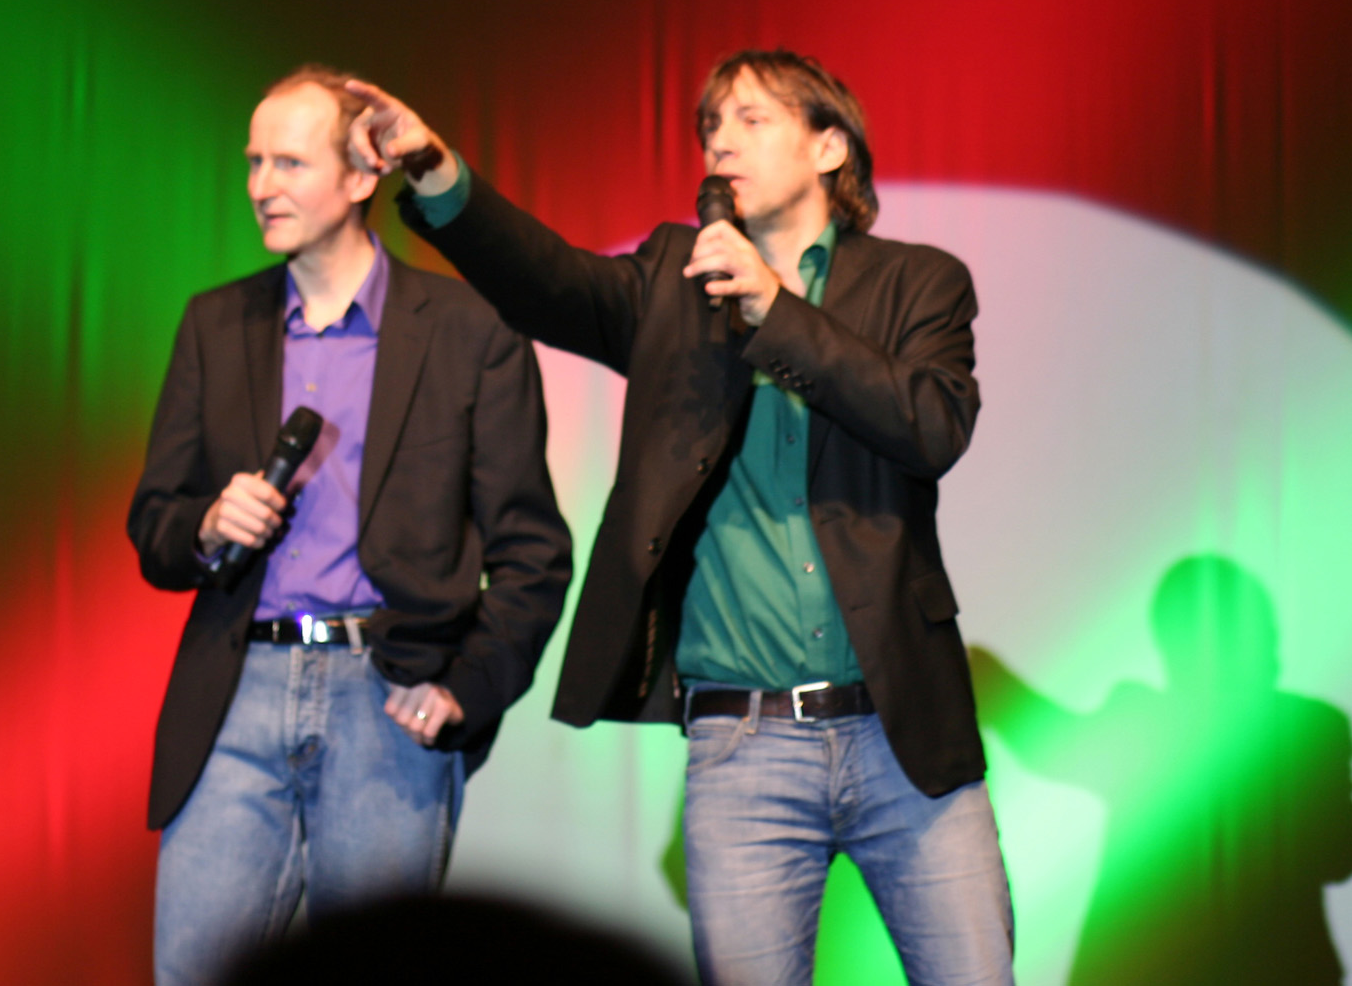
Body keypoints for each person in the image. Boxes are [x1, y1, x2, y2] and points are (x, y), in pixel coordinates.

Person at [342, 49, 1014, 985]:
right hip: (743, 748)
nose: (720, 145)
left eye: (751, 121)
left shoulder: (918, 283)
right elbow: (545, 282)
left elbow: (931, 426)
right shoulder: (674, 276)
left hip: (903, 735)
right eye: (710, 128)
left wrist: (774, 305)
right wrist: (435, 171)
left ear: (830, 147)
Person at [126, 65, 571, 986]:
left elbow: (533, 552)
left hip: (387, 695)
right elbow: (154, 523)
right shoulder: (216, 325)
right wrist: (208, 522)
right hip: (236, 691)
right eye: (253, 161)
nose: (260, 185)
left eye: (288, 162)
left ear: (363, 176)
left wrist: (467, 687)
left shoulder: (468, 330)